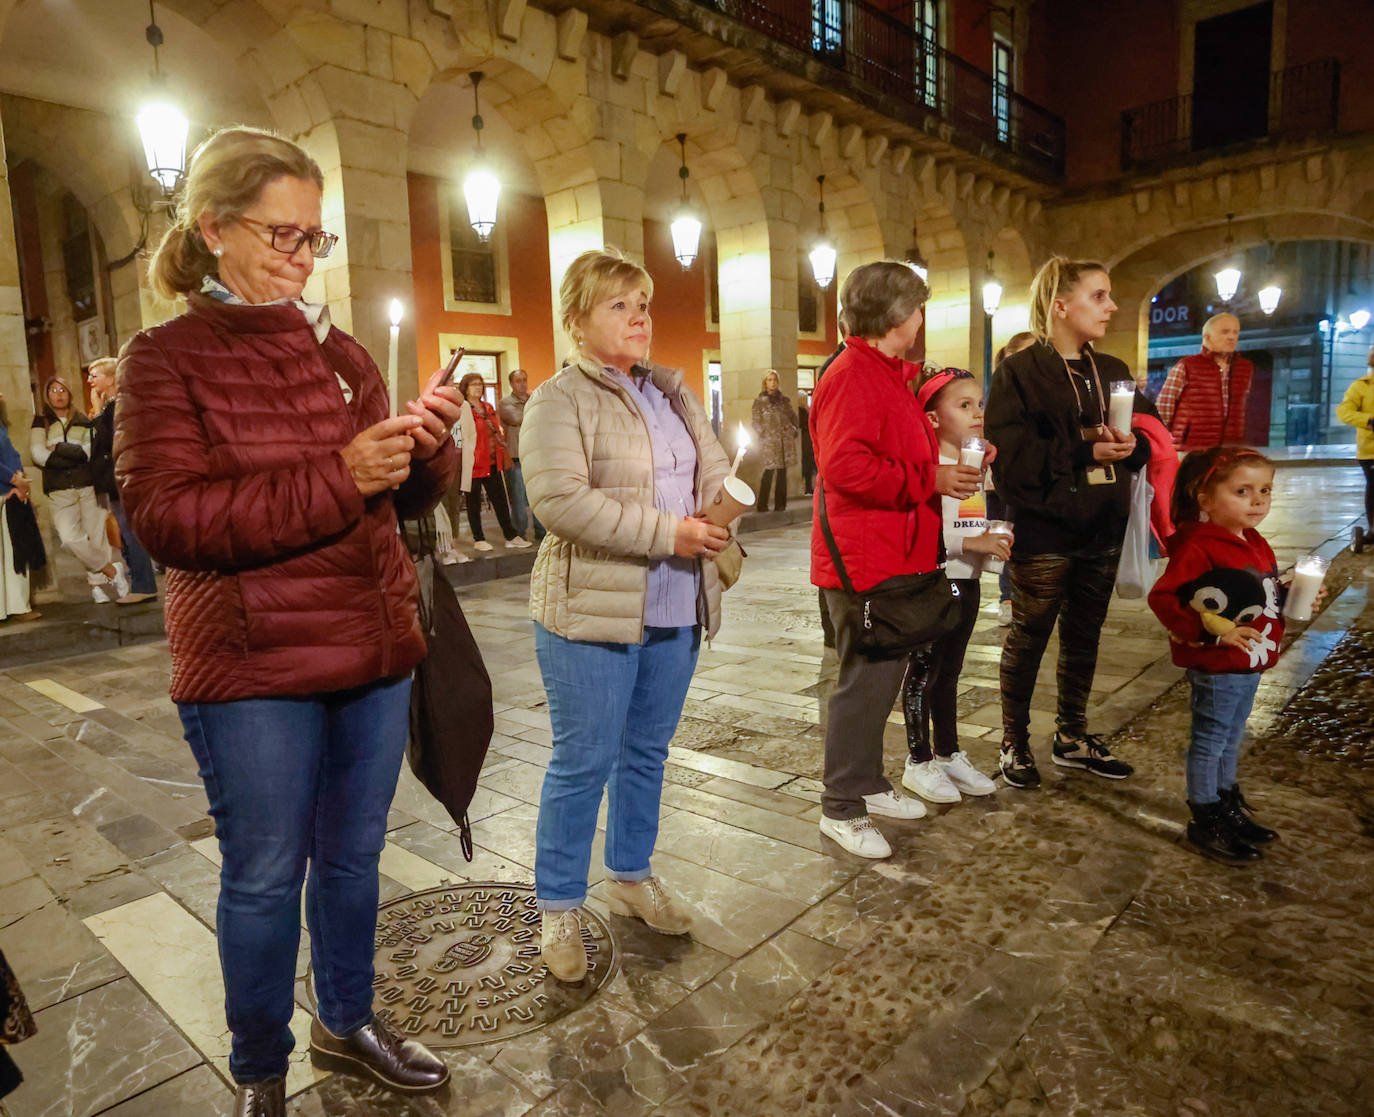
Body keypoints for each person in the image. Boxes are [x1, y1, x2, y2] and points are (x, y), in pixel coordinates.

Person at [115, 126, 461, 1116]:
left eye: (318, 239)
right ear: (215, 229)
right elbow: (167, 519)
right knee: (266, 876)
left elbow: (394, 502)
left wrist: (426, 452)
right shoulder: (163, 360)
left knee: (353, 862)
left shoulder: (342, 352)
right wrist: (336, 475)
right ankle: (258, 1065)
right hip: (253, 662)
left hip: (373, 648)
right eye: (285, 236)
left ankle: (344, 1019)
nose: (305, 259)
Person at [523, 248, 732, 981]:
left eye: (642, 301)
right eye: (619, 304)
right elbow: (560, 502)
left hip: (677, 602)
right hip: (593, 609)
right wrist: (668, 533)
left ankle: (632, 874)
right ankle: (557, 906)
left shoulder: (672, 393)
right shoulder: (559, 399)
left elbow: (710, 475)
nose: (640, 315)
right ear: (577, 320)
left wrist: (720, 515)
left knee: (647, 751)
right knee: (583, 759)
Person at [811, 261, 979, 859]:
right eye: (920, 309)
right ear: (902, 316)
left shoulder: (884, 373)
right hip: (864, 562)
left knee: (879, 681)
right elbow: (846, 468)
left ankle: (866, 782)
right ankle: (841, 806)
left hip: (889, 554)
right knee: (861, 686)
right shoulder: (856, 374)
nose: (922, 320)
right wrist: (928, 477)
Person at [986, 256, 1154, 790]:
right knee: (1029, 635)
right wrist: (1084, 448)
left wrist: (1134, 445)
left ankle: (1072, 736)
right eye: (1099, 296)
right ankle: (1013, 741)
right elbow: (1010, 461)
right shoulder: (1019, 372)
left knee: (1085, 636)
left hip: (1103, 525)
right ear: (1061, 304)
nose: (1111, 306)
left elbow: (1151, 436)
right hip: (1046, 528)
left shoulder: (1112, 371)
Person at [1148, 447, 1310, 863]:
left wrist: (1292, 593)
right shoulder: (1199, 547)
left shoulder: (1254, 542)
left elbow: (1256, 594)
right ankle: (1205, 817)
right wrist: (1213, 634)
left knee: (1232, 737)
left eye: (1265, 490)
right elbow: (1165, 598)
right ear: (1204, 499)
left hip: (1251, 661)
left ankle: (1226, 804)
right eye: (1243, 491)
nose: (1258, 500)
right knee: (1211, 740)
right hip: (1219, 666)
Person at [899, 368, 1007, 804]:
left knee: (951, 673)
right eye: (964, 406)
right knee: (924, 673)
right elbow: (920, 533)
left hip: (969, 581)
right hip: (935, 585)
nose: (977, 414)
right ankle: (918, 760)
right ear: (932, 418)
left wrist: (994, 539)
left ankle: (947, 752)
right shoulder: (928, 471)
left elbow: (971, 519)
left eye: (979, 404)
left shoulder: (975, 464)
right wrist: (971, 541)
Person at [29, 377, 129, 603]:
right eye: (54, 390)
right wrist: (68, 456)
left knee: (96, 536)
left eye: (63, 390)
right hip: (59, 490)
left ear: (70, 394)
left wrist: (58, 449)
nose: (59, 394)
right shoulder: (41, 422)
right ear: (47, 395)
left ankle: (97, 587)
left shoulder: (83, 421)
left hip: (87, 485)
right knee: (70, 537)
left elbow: (86, 452)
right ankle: (111, 571)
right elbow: (38, 455)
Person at [87, 357, 157, 603]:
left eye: (94, 375)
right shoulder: (111, 405)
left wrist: (96, 412)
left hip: (122, 477)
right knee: (124, 535)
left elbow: (109, 439)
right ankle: (138, 583)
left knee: (129, 532)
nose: (89, 380)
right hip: (113, 479)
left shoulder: (119, 404)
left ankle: (144, 586)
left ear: (110, 378)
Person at [987, 331, 1035, 626]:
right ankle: (1008, 598)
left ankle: (1020, 597)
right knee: (1005, 537)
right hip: (1002, 481)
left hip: (1029, 481)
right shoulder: (1003, 394)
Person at [1156, 312, 1253, 450]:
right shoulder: (1187, 365)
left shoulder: (1245, 368)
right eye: (1225, 332)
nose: (1232, 337)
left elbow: (1246, 408)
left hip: (1231, 447)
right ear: (1207, 337)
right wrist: (1164, 444)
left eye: (1235, 332)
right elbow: (1164, 408)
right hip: (1190, 447)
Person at [457, 372, 529, 552]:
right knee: (473, 502)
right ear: (465, 388)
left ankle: (511, 535)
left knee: (500, 501)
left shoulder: (487, 407)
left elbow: (496, 431)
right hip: (472, 463)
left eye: (480, 384)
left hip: (492, 461)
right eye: (473, 384)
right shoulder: (463, 409)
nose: (478, 387)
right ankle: (478, 538)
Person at [0, 392, 43, 622]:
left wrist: (19, 479)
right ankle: (16, 607)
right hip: (5, 493)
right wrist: (14, 480)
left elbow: (11, 455)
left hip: (9, 492)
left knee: (13, 552)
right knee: (11, 553)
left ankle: (16, 605)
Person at [497, 368, 545, 541]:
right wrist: (537, 410)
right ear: (511, 383)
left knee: (539, 495)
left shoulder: (534, 399)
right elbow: (516, 418)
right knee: (518, 497)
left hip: (536, 454)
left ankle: (542, 531)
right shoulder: (505, 403)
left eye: (524, 380)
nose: (522, 384)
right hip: (516, 455)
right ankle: (520, 532)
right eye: (518, 380)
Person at [1336, 345, 1374, 550]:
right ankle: (1373, 529)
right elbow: (1344, 412)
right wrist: (1369, 420)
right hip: (1371, 450)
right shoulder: (1361, 386)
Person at [751, 369, 799, 511]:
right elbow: (755, 421)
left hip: (784, 442)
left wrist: (792, 430)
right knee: (768, 472)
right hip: (770, 443)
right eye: (769, 380)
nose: (772, 383)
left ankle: (780, 504)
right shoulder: (760, 402)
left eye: (774, 380)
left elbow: (794, 418)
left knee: (782, 473)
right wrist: (763, 433)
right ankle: (762, 505)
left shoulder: (784, 401)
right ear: (765, 383)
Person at [798, 389, 815, 494]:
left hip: (807, 441)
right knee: (807, 465)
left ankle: (808, 487)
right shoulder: (802, 412)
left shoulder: (805, 410)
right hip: (806, 442)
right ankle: (808, 487)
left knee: (808, 466)